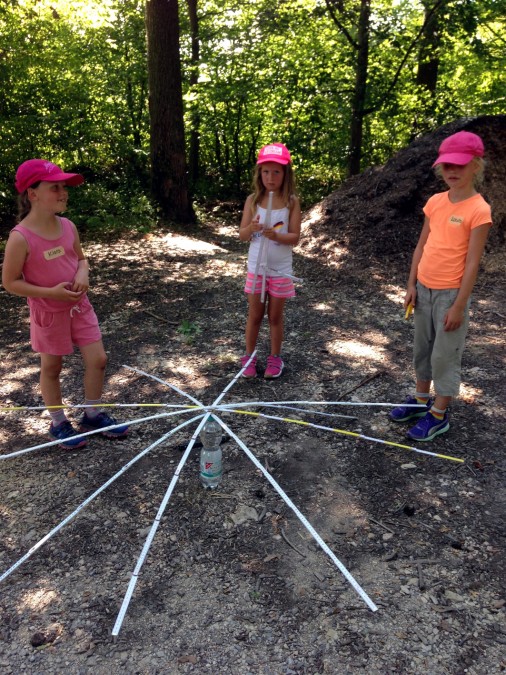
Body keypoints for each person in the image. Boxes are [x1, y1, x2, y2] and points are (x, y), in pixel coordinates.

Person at [2, 159, 128, 449]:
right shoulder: (21, 237)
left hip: (80, 307)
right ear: (33, 193)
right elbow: (10, 282)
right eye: (55, 187)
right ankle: (58, 423)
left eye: (64, 187)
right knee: (52, 367)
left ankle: (92, 415)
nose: (63, 193)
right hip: (48, 313)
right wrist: (50, 292)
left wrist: (83, 274)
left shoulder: (68, 226)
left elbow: (81, 259)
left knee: (98, 359)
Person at [390, 131, 492, 441]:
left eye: (460, 164)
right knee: (422, 350)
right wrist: (411, 284)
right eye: (447, 165)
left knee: (443, 356)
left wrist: (459, 305)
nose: (452, 171)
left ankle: (438, 414)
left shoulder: (478, 209)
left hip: (450, 295)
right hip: (423, 289)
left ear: (476, 165)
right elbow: (421, 245)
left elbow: (472, 263)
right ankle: (421, 401)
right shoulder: (435, 202)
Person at [239, 143, 301, 379]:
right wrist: (251, 228)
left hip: (280, 270)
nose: (271, 177)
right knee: (255, 315)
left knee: (275, 316)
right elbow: (242, 235)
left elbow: (295, 237)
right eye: (266, 171)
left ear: (285, 174)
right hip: (256, 268)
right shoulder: (253, 200)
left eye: (276, 172)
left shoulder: (291, 202)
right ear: (259, 173)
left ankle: (275, 357)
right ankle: (249, 357)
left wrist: (277, 236)